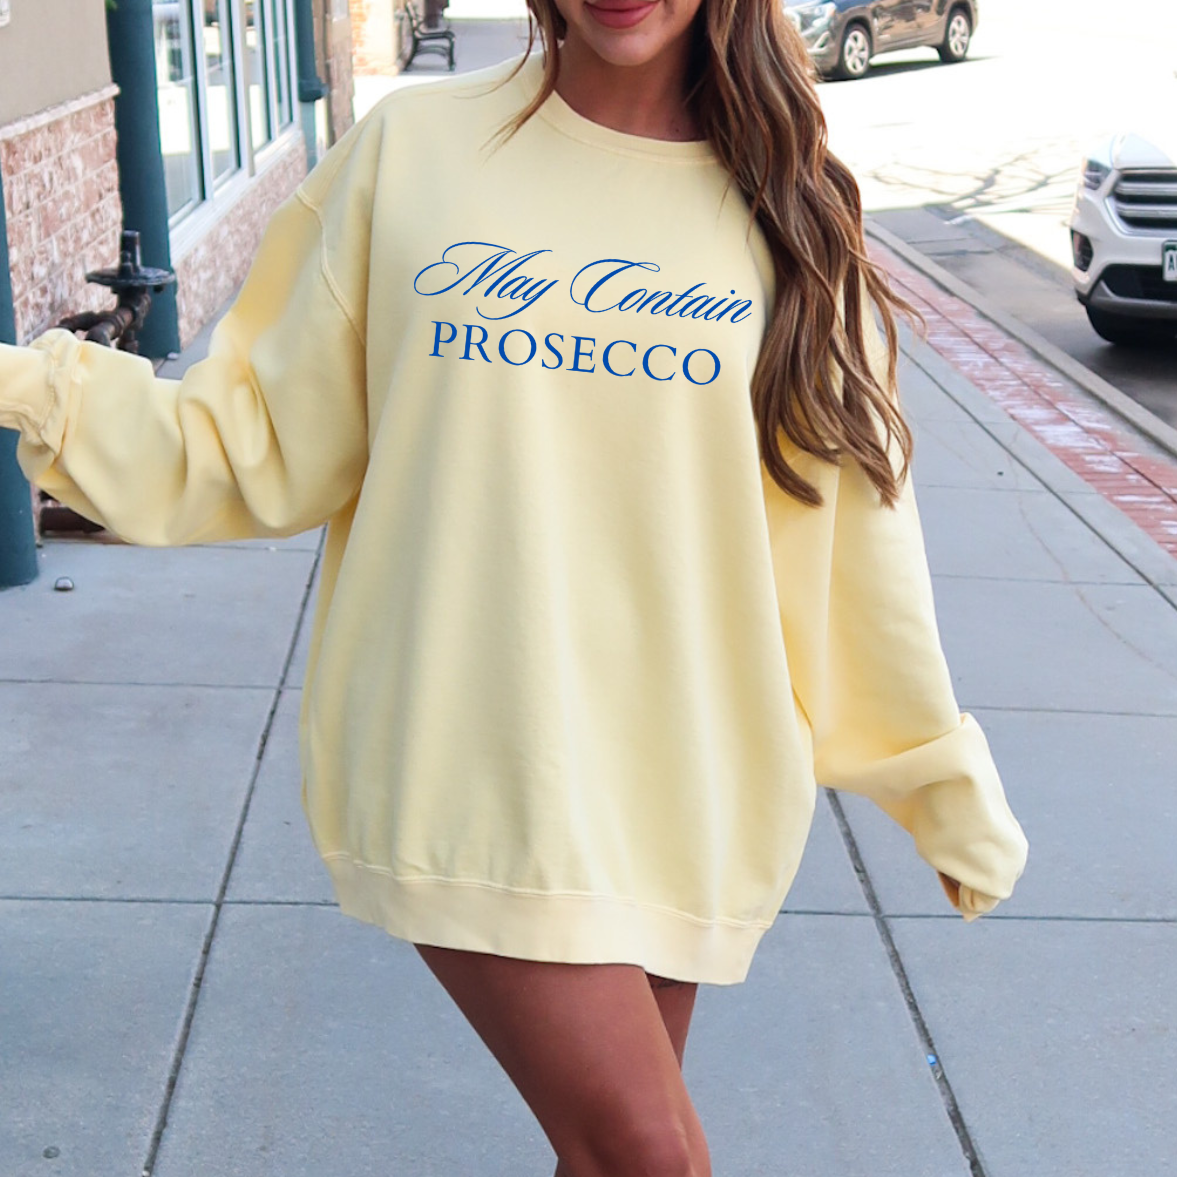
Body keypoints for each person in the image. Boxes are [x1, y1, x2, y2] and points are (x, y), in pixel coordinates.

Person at [0, 1, 1028, 1173]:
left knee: (609, 1153)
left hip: (683, 776)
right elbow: (252, 436)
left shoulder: (791, 207)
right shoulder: (415, 154)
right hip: (474, 758)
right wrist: (30, 389)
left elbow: (849, 538)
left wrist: (930, 769)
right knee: (648, 1154)